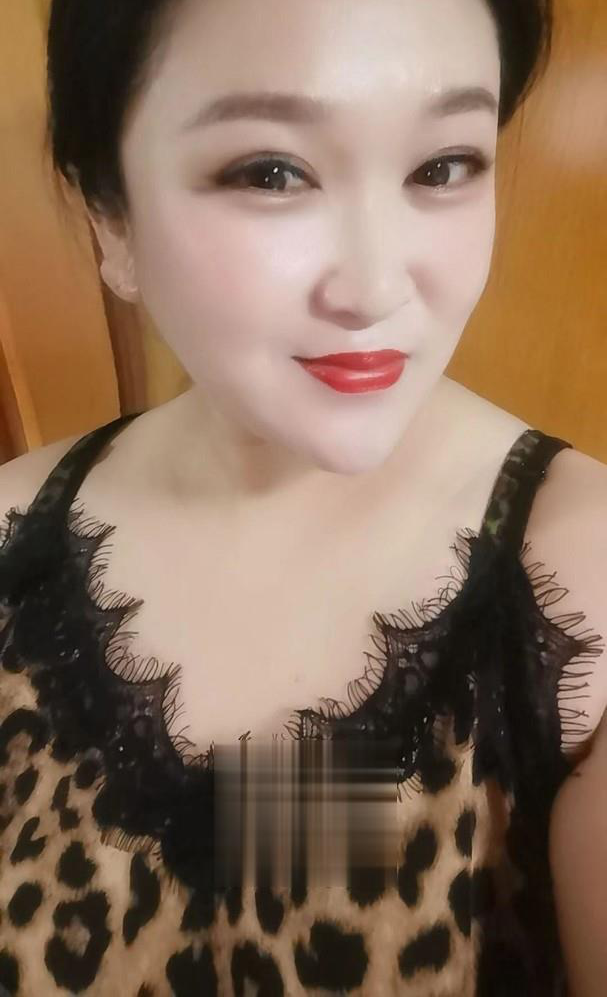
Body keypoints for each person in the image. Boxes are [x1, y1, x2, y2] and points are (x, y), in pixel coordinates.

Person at [0, 0, 605, 993]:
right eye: (271, 172)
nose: (375, 288)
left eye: (442, 166)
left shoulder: (582, 583)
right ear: (110, 214)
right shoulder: (10, 538)